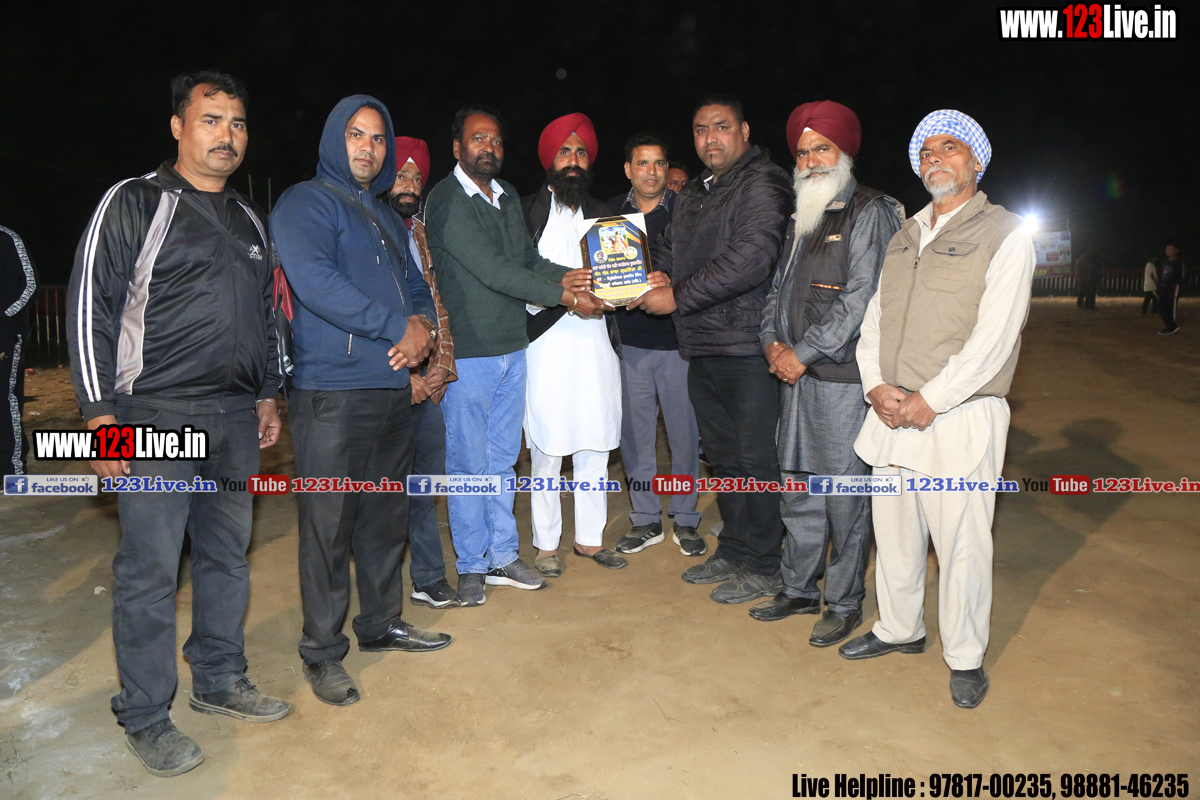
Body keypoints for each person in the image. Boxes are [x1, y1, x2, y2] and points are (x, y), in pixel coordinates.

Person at [66, 71, 290, 777]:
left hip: (233, 418)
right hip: (154, 415)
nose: (227, 135)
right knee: (151, 570)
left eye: (238, 123)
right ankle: (144, 712)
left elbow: (267, 316)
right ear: (178, 127)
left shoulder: (250, 219)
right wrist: (100, 416)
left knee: (226, 557)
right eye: (211, 119)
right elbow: (90, 308)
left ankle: (219, 679)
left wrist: (267, 393)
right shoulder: (135, 201)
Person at [839, 110, 1035, 710]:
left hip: (958, 414)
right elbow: (874, 320)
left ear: (977, 161)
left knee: (962, 544)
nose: (935, 159)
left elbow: (995, 337)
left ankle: (966, 656)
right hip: (892, 410)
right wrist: (875, 386)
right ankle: (899, 628)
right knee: (895, 532)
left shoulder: (1005, 233)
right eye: (925, 151)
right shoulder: (905, 234)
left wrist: (932, 399)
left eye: (950, 148)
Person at [272, 95, 452, 709]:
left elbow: (415, 283)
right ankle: (322, 651)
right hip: (331, 393)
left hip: (389, 390)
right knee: (329, 526)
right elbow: (316, 282)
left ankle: (380, 622)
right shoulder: (305, 202)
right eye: (356, 134)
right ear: (334, 138)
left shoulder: (382, 214)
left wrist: (422, 326)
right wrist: (395, 326)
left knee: (384, 517)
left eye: (378, 138)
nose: (368, 148)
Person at [423, 107, 606, 605]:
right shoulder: (446, 200)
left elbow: (527, 260)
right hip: (471, 354)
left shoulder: (504, 195)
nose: (489, 147)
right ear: (457, 147)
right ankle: (471, 565)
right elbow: (493, 270)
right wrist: (567, 298)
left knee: (503, 462)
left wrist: (569, 277)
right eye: (478, 139)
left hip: (513, 347)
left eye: (496, 140)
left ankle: (503, 554)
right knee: (468, 465)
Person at [630, 94, 791, 604]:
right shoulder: (697, 191)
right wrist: (646, 273)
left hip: (748, 346)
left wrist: (676, 294)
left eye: (721, 127)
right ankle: (737, 548)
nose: (710, 138)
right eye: (701, 130)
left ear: (744, 131)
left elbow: (751, 257)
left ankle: (766, 562)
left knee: (756, 459)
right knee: (723, 458)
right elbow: (672, 248)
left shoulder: (764, 182)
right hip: (701, 346)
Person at [755, 101, 904, 647]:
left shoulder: (871, 211)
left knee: (844, 497)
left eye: (822, 148)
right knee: (798, 488)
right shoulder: (803, 213)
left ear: (844, 154)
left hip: (840, 381)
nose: (811, 160)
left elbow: (863, 299)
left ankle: (843, 602)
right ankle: (797, 588)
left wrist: (803, 353)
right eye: (802, 152)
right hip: (795, 378)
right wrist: (772, 343)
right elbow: (777, 291)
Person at [521, 113, 625, 575]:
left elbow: (623, 279)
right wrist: (564, 296)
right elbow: (517, 277)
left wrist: (623, 290)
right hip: (545, 346)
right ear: (550, 159)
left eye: (581, 152)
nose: (574, 160)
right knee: (547, 446)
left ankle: (589, 540)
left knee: (595, 442)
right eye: (565, 151)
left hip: (597, 344)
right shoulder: (525, 213)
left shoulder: (606, 216)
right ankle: (546, 545)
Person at [605, 134, 704, 557]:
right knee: (636, 438)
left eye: (659, 163)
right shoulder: (608, 215)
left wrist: (673, 280)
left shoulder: (689, 210)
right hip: (629, 344)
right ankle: (645, 519)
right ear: (628, 169)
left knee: (684, 437)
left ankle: (686, 519)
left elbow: (707, 267)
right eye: (642, 163)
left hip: (679, 344)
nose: (652, 171)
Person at [381, 135, 460, 609]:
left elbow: (436, 303)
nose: (409, 184)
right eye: (401, 175)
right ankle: (381, 595)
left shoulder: (421, 234)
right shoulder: (369, 229)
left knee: (425, 486)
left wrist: (441, 367)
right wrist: (400, 379)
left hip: (425, 384)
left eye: (416, 176)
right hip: (382, 383)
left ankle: (427, 577)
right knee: (383, 494)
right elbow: (361, 313)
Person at [1, 224, 36, 475]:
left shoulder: (7, 238)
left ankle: (10, 470)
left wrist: (4, 316)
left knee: (5, 397)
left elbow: (30, 284)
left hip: (5, 333)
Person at [1157, 244, 1184, 334]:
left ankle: (1171, 327)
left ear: (1176, 251)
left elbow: (1182, 275)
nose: (1167, 251)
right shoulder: (1165, 262)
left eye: (1170, 249)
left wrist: (1178, 285)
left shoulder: (1179, 262)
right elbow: (1165, 274)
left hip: (1173, 286)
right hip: (1164, 286)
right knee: (1161, 306)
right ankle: (1170, 326)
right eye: (1166, 249)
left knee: (1170, 306)